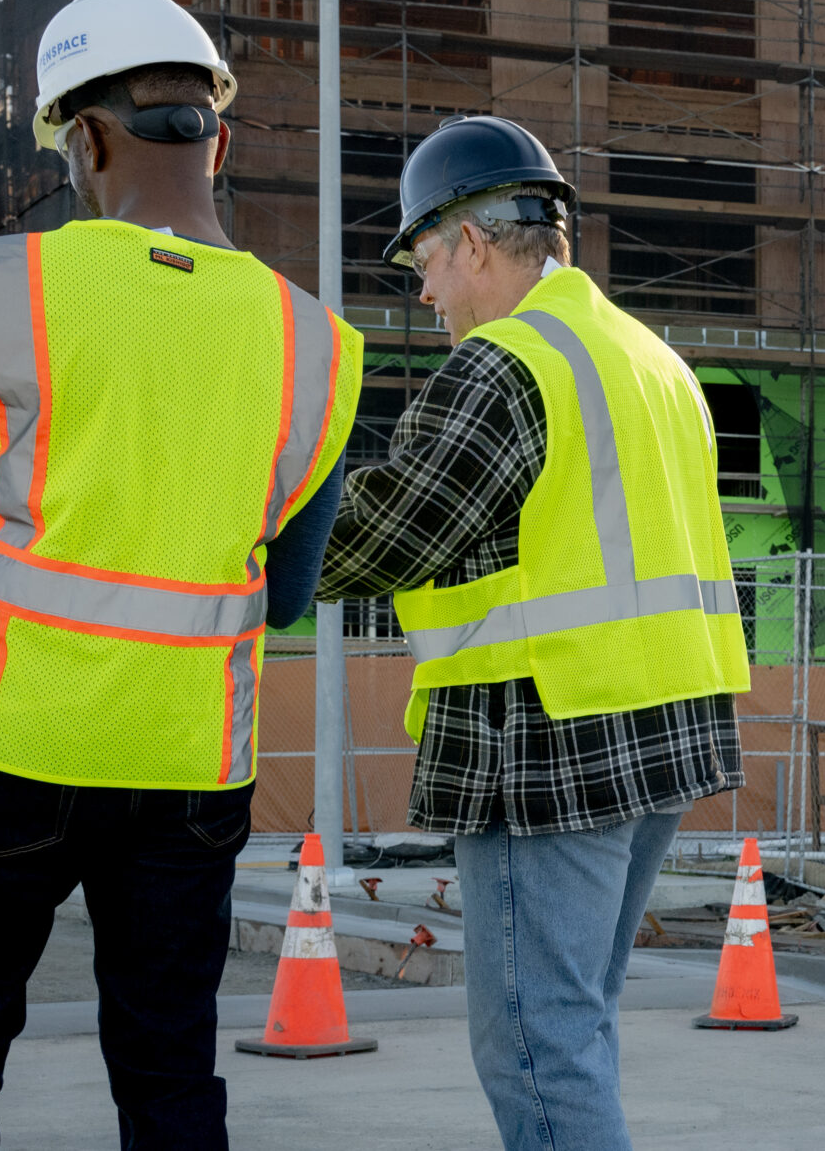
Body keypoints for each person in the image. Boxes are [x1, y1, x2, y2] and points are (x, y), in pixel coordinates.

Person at [0, 0, 363, 1151]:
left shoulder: (11, 290)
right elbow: (286, 593)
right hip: (188, 764)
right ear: (220, 138)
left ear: (82, 139)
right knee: (169, 1076)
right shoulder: (311, 346)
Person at [319, 115, 751, 1151]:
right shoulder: (651, 360)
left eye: (422, 260)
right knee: (575, 1018)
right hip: (662, 729)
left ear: (470, 240)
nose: (422, 293)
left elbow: (379, 539)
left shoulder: (507, 365)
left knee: (533, 1041)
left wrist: (246, 508)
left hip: (545, 734)